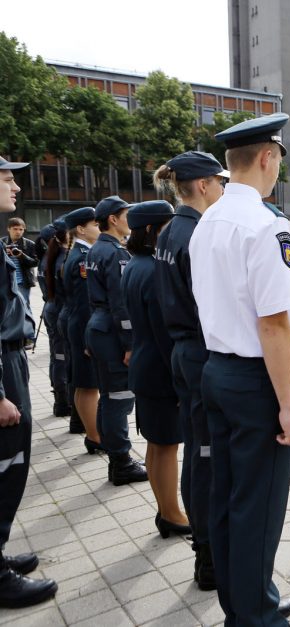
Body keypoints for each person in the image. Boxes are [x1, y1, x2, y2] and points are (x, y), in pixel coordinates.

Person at [189, 113, 290, 624]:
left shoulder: (204, 221)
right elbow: (274, 324)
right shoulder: (266, 224)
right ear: (266, 157)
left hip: (215, 370)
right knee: (258, 508)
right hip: (255, 382)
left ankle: (244, 602)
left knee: (229, 496)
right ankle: (257, 616)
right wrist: (288, 406)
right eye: (278, 158)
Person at [153, 149, 228, 590]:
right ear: (202, 185)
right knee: (207, 458)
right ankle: (210, 555)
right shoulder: (196, 235)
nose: (221, 189)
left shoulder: (170, 231)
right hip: (201, 353)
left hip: (182, 352)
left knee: (199, 452)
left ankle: (208, 548)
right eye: (218, 183)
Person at [0, 157, 58, 609]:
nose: (16, 185)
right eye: (6, 178)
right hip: (2, 367)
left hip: (11, 359)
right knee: (6, 461)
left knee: (13, 461)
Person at [122, 201, 191, 539]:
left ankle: (166, 510)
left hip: (145, 365)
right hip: (161, 370)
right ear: (151, 231)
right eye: (165, 227)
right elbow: (165, 333)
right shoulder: (153, 270)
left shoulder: (136, 264)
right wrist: (180, 381)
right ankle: (171, 513)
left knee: (156, 444)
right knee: (166, 446)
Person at [85, 196, 148, 486]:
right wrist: (129, 344)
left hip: (99, 327)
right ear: (113, 219)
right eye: (126, 215)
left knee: (109, 397)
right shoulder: (114, 253)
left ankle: (116, 457)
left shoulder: (97, 249)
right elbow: (120, 303)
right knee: (119, 398)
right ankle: (121, 461)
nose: (129, 221)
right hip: (112, 332)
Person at [60, 207, 104, 450]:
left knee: (83, 382)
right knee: (88, 384)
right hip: (82, 324)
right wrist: (90, 339)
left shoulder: (78, 253)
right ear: (81, 229)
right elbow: (86, 302)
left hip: (75, 322)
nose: (99, 229)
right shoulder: (83, 257)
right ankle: (95, 437)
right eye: (95, 225)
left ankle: (92, 433)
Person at [42, 221, 71, 417]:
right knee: (61, 356)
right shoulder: (62, 259)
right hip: (60, 310)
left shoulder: (49, 257)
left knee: (57, 356)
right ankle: (63, 400)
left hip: (51, 308)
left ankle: (60, 398)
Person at [1, 217, 38, 319]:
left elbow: (35, 263)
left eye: (21, 229)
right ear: (9, 229)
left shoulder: (29, 244)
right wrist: (4, 254)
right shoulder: (2, 243)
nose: (18, 232)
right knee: (7, 308)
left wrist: (21, 255)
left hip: (23, 281)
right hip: (6, 281)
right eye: (15, 229)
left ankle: (27, 330)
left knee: (24, 305)